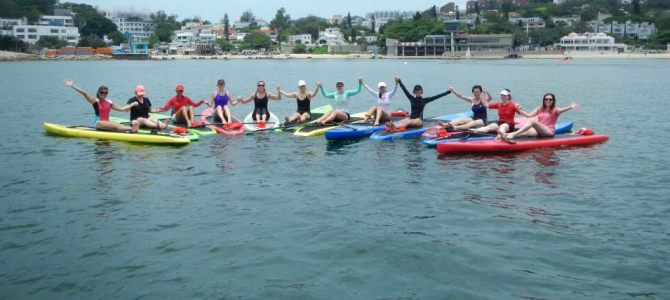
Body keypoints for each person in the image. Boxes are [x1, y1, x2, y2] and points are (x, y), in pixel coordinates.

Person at [63, 79, 139, 132]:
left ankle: (131, 128)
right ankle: (132, 129)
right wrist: (72, 85)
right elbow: (84, 93)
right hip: (99, 123)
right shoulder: (95, 101)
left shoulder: (109, 102)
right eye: (102, 92)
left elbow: (122, 109)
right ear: (98, 92)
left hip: (107, 123)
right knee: (114, 125)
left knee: (116, 124)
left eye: (105, 93)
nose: (103, 94)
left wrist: (132, 104)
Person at [501, 93, 579, 141]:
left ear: (553, 101)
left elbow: (563, 109)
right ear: (544, 100)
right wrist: (519, 110)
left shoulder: (556, 109)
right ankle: (504, 135)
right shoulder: (540, 108)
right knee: (524, 132)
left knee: (532, 122)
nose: (548, 100)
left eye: (550, 99)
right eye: (546, 99)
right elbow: (529, 115)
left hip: (548, 132)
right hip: (539, 131)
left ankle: (513, 135)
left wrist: (570, 107)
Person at [385, 76, 451, 131]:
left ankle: (395, 127)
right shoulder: (412, 99)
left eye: (419, 90)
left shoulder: (424, 100)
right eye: (416, 90)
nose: (417, 91)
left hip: (419, 120)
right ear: (414, 91)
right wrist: (399, 81)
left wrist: (448, 92)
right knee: (404, 120)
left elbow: (437, 96)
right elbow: (405, 90)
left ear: (421, 91)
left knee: (408, 121)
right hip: (411, 118)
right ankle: (393, 125)